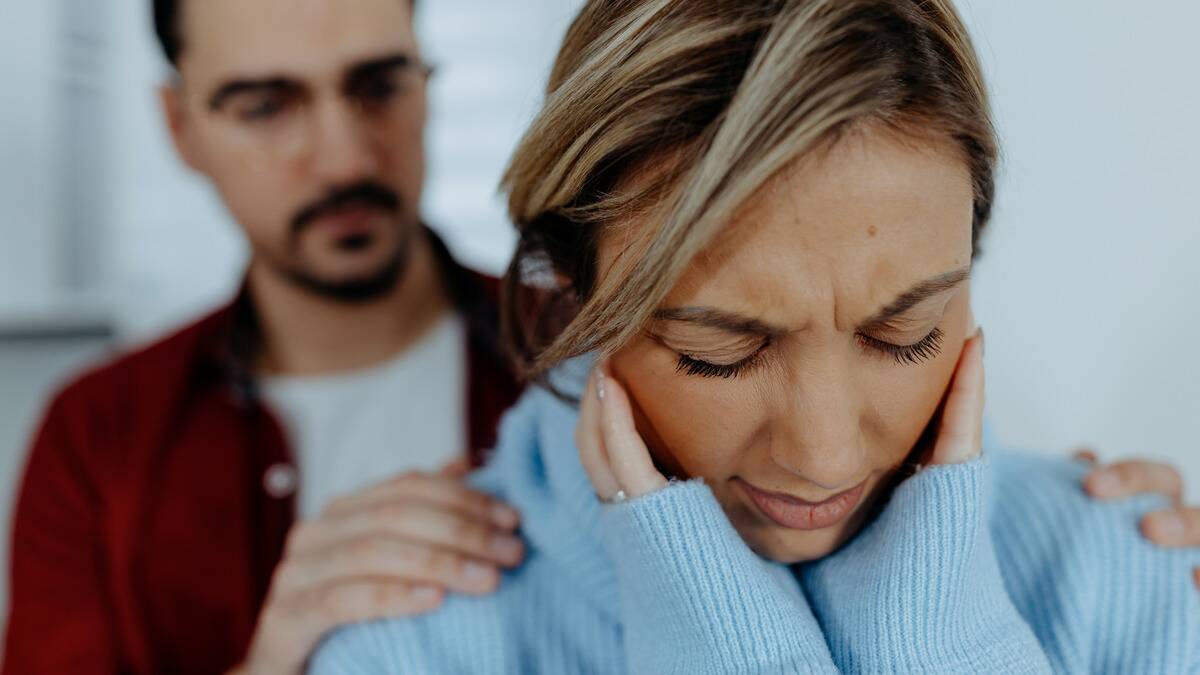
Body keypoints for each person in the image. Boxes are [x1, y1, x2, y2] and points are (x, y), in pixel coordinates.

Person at [309, 0, 1200, 672]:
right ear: (573, 300)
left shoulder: (1131, 574)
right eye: (719, 351)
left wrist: (944, 638)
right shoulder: (408, 643)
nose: (823, 454)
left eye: (906, 333)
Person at [2, 1, 528, 674]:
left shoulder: (595, 355)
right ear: (180, 127)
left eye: (379, 85)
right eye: (265, 107)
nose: (344, 161)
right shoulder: (95, 439)